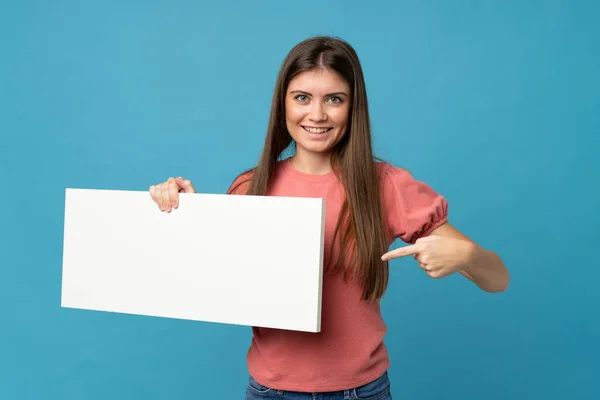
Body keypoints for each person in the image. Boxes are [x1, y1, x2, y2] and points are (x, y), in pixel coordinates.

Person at [148, 36, 510, 400]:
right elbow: (211, 282)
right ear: (282, 104)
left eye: (334, 99)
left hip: (361, 392)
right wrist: (186, 218)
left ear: (353, 107)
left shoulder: (385, 185)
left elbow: (499, 279)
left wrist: (466, 256)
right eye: (302, 97)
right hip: (268, 392)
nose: (317, 115)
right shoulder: (250, 188)